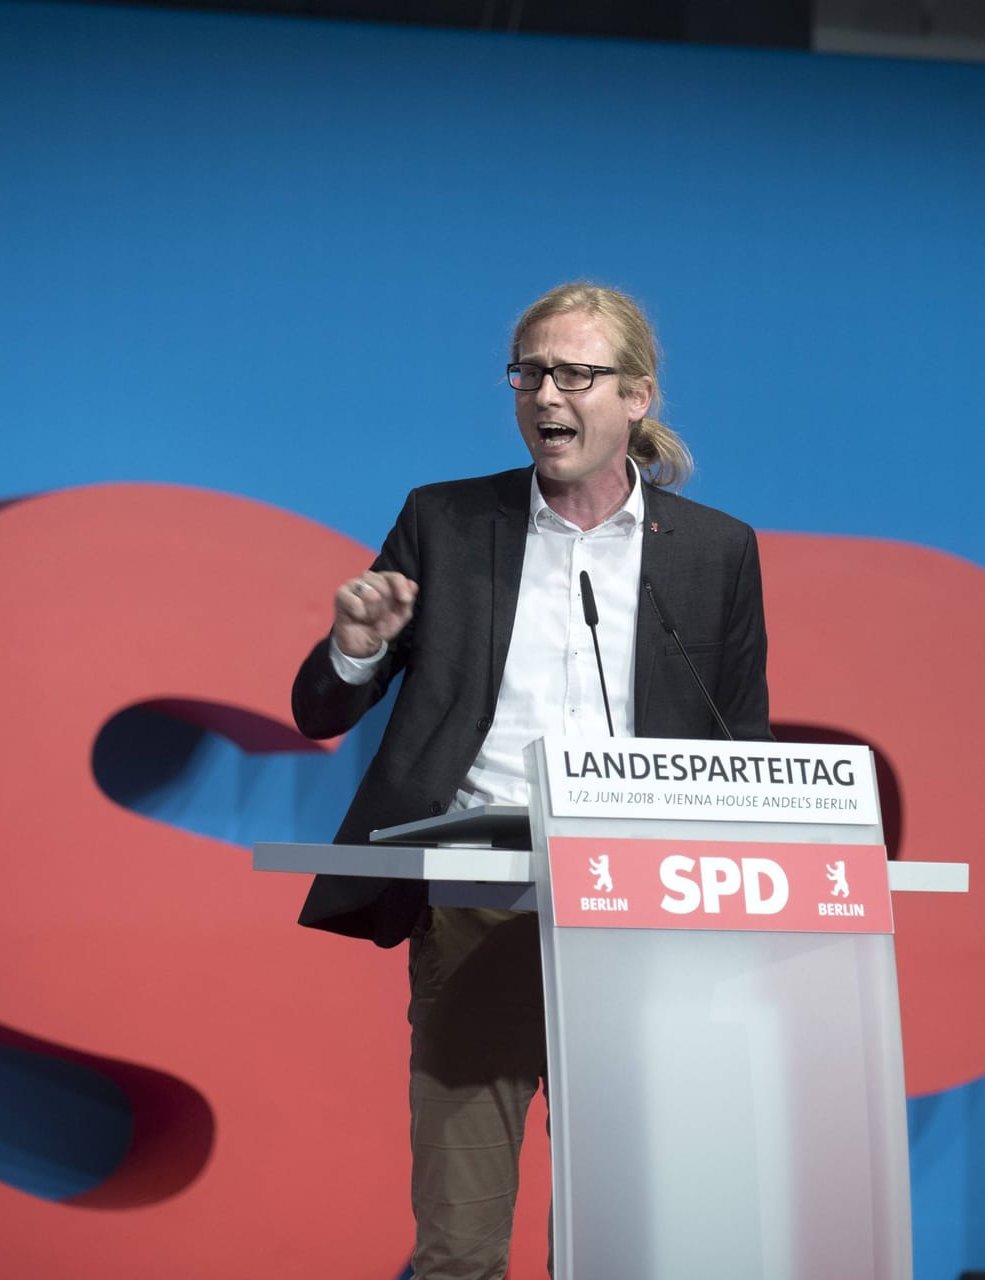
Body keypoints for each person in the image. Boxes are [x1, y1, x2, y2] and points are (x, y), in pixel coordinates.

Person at [289, 281, 772, 1280]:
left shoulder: (716, 551)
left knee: (617, 1239)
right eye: (529, 373)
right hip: (479, 899)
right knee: (461, 1244)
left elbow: (743, 739)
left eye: (575, 374)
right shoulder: (447, 521)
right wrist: (353, 646)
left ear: (636, 396)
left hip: (643, 917)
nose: (546, 395)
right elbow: (321, 710)